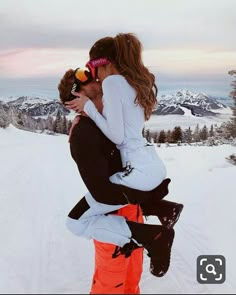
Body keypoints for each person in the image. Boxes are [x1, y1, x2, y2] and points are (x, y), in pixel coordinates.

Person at [59, 66, 181, 278]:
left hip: (127, 212)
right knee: (112, 277)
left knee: (128, 275)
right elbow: (101, 192)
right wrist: (147, 198)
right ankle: (153, 227)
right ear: (77, 95)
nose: (96, 77)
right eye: (86, 78)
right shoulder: (85, 133)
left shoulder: (108, 117)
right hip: (116, 213)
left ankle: (152, 232)